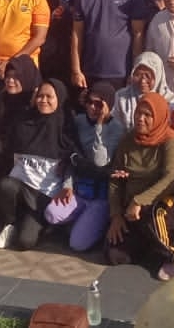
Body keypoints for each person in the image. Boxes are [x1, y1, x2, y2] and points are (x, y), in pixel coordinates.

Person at [0, 78, 76, 251]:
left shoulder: (66, 126)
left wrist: (68, 185)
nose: (43, 100)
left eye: (49, 96)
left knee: (25, 242)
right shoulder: (24, 121)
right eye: (40, 96)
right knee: (5, 185)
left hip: (44, 195)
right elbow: (3, 147)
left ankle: (39, 224)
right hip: (19, 187)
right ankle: (9, 223)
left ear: (60, 98)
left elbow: (73, 160)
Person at [105, 92, 174, 281]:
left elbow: (171, 179)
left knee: (156, 215)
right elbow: (116, 179)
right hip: (131, 207)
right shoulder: (128, 140)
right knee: (116, 254)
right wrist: (116, 215)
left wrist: (139, 201)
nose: (140, 118)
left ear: (158, 116)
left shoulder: (170, 141)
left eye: (147, 115)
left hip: (163, 201)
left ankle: (173, 256)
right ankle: (148, 247)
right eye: (138, 113)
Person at [44, 83, 117, 252]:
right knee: (51, 213)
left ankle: (95, 226)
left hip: (100, 198)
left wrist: (100, 126)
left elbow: (100, 162)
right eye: (89, 102)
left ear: (108, 105)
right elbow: (72, 157)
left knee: (77, 244)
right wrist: (68, 185)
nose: (92, 107)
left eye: (98, 104)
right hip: (80, 191)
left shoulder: (117, 129)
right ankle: (79, 222)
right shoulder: (79, 121)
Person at [71, 0, 147, 89]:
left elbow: (138, 35)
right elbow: (76, 33)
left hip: (121, 72)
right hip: (90, 71)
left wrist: (135, 70)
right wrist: (76, 70)